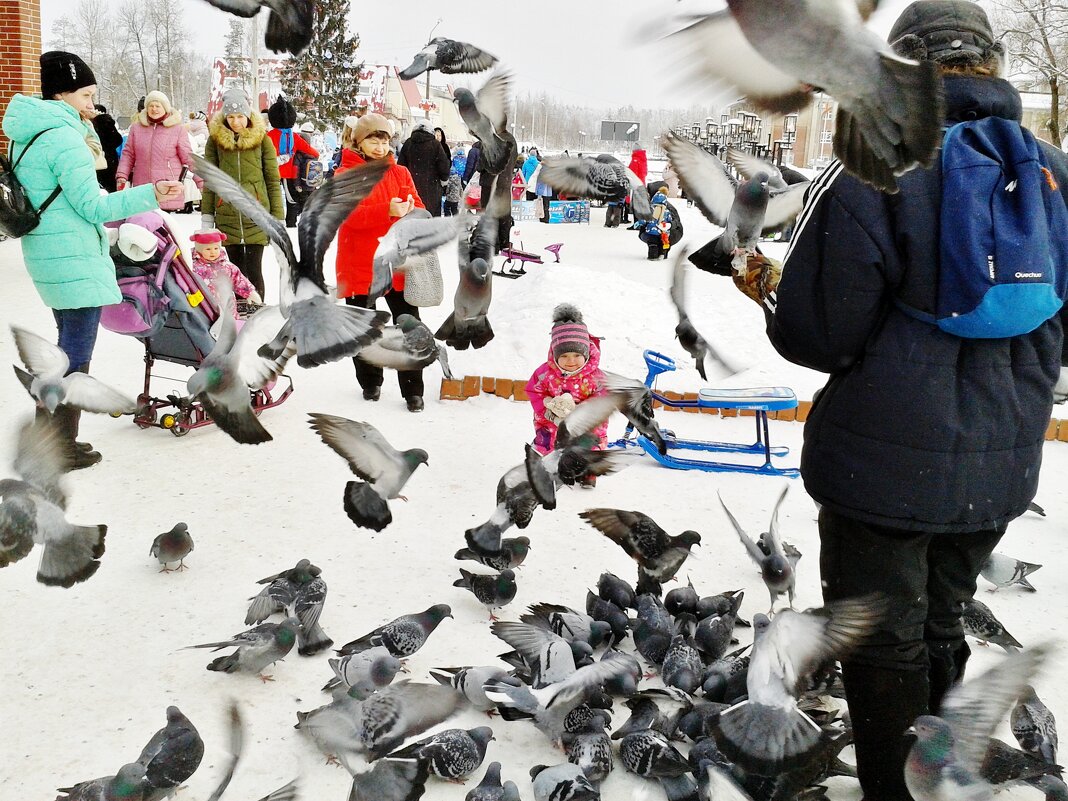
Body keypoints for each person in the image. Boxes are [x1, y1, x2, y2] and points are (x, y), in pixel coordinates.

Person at [750, 3, 1068, 799]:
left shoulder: (876, 163)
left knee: (885, 640)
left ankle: (898, 792)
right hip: (998, 471)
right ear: (992, 64)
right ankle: (940, 777)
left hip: (878, 471)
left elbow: (817, 333)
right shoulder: (1054, 171)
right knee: (941, 618)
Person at [1, 51, 183, 468]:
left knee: (64, 352)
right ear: (61, 93)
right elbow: (92, 206)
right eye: (86, 94)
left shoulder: (25, 133)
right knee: (73, 358)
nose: (92, 104)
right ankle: (57, 447)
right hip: (74, 256)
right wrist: (151, 193)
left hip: (48, 253)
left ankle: (54, 441)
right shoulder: (63, 138)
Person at [334, 113, 428, 412]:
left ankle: (413, 389)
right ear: (359, 141)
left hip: (396, 264)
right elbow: (347, 217)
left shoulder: (400, 173)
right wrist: (386, 210)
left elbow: (420, 208)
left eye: (385, 140)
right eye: (373, 139)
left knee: (410, 326)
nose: (380, 146)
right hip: (359, 262)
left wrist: (412, 212)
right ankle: (370, 381)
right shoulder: (344, 174)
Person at [201, 88, 283, 300]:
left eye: (240, 117)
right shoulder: (215, 141)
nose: (236, 122)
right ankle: (239, 313)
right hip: (227, 214)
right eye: (230, 117)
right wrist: (207, 216)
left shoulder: (262, 140)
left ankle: (257, 311)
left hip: (257, 215)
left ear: (248, 115)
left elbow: (273, 180)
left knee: (255, 270)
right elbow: (210, 180)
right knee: (235, 271)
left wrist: (277, 217)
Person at [526, 304, 608, 472]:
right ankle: (550, 468)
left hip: (586, 421)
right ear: (555, 355)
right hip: (553, 419)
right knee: (550, 441)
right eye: (564, 356)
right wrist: (547, 406)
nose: (571, 361)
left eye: (577, 355)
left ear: (586, 354)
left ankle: (587, 471)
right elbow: (534, 390)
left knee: (587, 443)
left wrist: (585, 408)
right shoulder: (545, 373)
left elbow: (604, 397)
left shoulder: (596, 377)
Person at [115, 90, 200, 212]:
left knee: (161, 226)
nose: (154, 109)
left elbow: (188, 157)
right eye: (151, 106)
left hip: (166, 187)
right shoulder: (136, 128)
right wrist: (122, 175)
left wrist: (201, 180)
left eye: (157, 106)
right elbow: (128, 154)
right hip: (142, 186)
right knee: (141, 225)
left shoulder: (177, 130)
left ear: (165, 108)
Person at [265, 96, 319, 227]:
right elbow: (314, 153)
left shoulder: (268, 136)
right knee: (291, 201)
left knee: (270, 198)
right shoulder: (294, 137)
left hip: (270, 173)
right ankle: (291, 223)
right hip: (289, 174)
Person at [189, 229, 262, 318]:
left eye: (216, 248)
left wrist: (250, 293)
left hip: (228, 307)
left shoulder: (226, 266)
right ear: (199, 250)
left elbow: (238, 280)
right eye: (208, 249)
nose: (213, 252)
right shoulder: (194, 267)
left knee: (230, 324)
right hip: (205, 308)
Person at [398, 120, 450, 217]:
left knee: (412, 218)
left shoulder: (408, 144)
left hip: (411, 188)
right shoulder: (435, 145)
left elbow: (400, 166)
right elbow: (444, 167)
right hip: (432, 189)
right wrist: (444, 180)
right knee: (431, 220)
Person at [91, 104, 122, 192]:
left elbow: (117, 140)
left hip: (106, 165)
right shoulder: (86, 124)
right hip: (104, 164)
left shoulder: (105, 124)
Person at [622, 145, 648, 224]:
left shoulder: (635, 160)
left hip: (635, 185)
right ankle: (639, 222)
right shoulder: (643, 159)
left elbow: (632, 174)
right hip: (641, 184)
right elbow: (644, 173)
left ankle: (636, 223)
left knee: (633, 204)